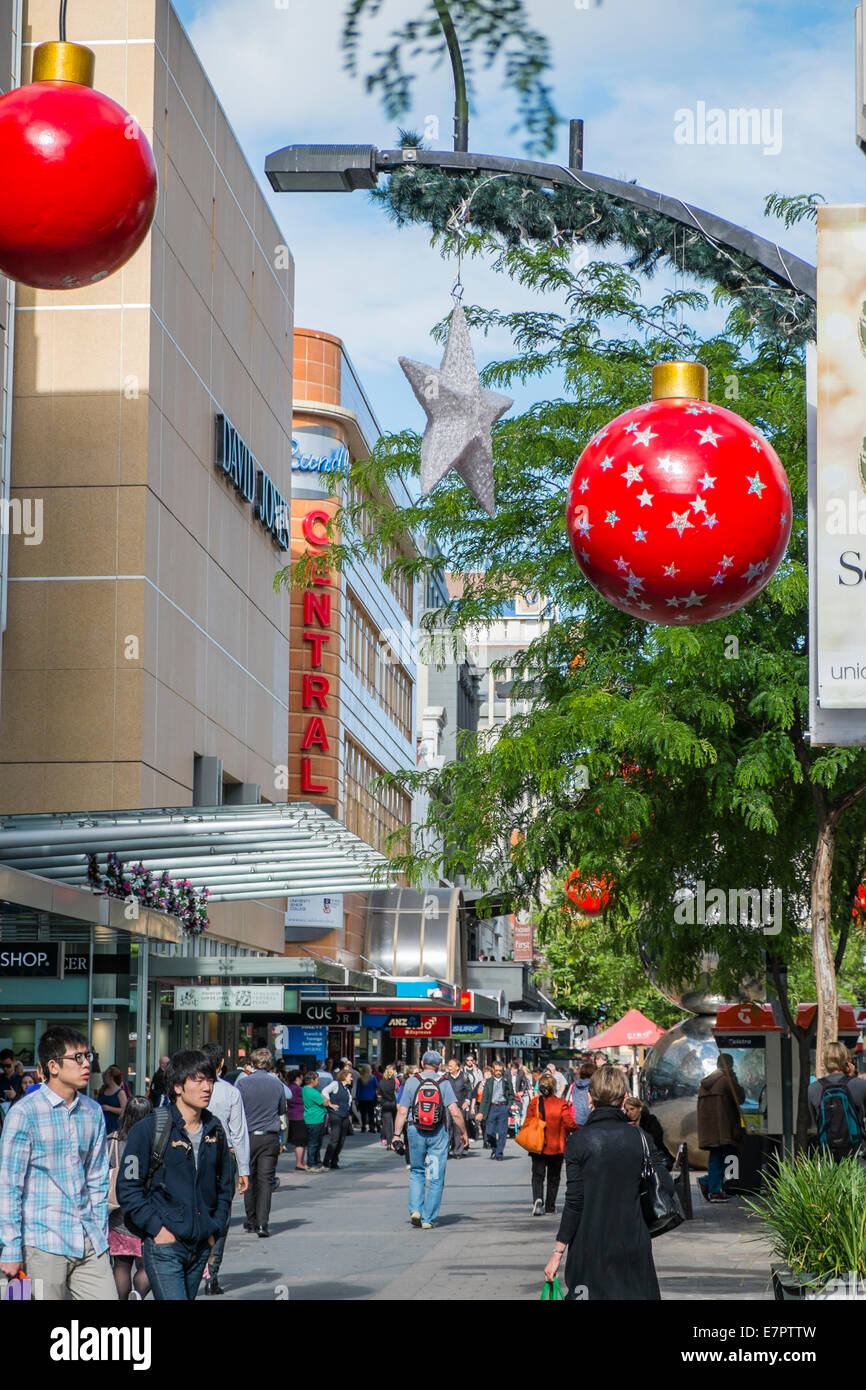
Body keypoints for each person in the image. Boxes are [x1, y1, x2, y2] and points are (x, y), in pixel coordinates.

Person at [0, 1026, 116, 1300]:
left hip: (88, 1240)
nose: (86, 1063)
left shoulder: (92, 1111)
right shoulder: (25, 1113)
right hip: (41, 1242)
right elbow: (8, 1185)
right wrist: (11, 1248)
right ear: (53, 1066)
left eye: (88, 1056)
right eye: (77, 1058)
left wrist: (99, 1232)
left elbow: (98, 1177)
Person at [544, 1064, 674, 1300]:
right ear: (624, 1098)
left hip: (589, 1243)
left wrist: (557, 1252)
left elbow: (574, 1202)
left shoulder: (578, 1141)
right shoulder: (641, 1138)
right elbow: (665, 1184)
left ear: (590, 1097)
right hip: (632, 1241)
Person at [117, 1049, 233, 1301]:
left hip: (201, 1244)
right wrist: (157, 1230)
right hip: (164, 1246)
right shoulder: (149, 1129)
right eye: (198, 1080)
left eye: (210, 1080)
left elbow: (225, 1186)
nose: (207, 1087)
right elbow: (128, 1188)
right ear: (178, 1087)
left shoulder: (215, 1130)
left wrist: (215, 1230)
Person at [391, 1050, 468, 1228]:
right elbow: (455, 1112)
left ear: (422, 1062)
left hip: (414, 1131)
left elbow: (402, 1111)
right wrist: (463, 1132)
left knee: (416, 1171)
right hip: (437, 1133)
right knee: (435, 1176)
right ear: (439, 1065)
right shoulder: (444, 1083)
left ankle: (415, 1209)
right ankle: (428, 1218)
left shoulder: (412, 1081)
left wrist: (396, 1135)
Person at [200, 1042, 250, 1295]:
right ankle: (212, 1274)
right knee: (221, 1215)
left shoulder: (186, 1089)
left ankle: (193, 1269)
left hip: (189, 1157)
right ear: (221, 1064)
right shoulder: (230, 1092)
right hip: (224, 1158)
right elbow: (239, 1134)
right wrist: (243, 1170)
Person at [107, 1097, 152, 1301]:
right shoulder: (151, 1142)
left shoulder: (112, 1140)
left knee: (121, 1264)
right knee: (148, 1264)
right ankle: (139, 1292)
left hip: (117, 1212)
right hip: (144, 1210)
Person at [236, 1048, 285, 1235]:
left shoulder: (243, 1083)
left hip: (248, 1136)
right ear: (269, 1063)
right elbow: (282, 1108)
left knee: (248, 1176)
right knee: (266, 1180)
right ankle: (263, 1223)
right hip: (270, 1135)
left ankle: (251, 1219)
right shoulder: (277, 1084)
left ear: (252, 1063)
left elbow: (238, 1110)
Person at [524, 1073, 577, 1215]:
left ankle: (537, 1198)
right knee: (554, 1178)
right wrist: (579, 1130)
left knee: (537, 1175)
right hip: (557, 1146)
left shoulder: (534, 1103)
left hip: (538, 1145)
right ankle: (550, 1206)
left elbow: (528, 1122)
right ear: (554, 1087)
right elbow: (569, 1123)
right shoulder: (561, 1104)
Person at [696, 1052, 746, 1202]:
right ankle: (711, 1186)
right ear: (729, 1065)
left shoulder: (707, 1082)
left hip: (710, 1128)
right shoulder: (726, 1081)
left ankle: (711, 1185)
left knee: (716, 1156)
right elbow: (740, 1097)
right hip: (724, 1126)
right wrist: (734, 1079)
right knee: (733, 1154)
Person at [808, 1041, 866, 1160]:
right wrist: (853, 1075)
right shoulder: (860, 1085)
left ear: (825, 1061)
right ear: (846, 1060)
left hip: (827, 1156)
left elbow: (815, 1121)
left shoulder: (813, 1089)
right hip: (856, 1154)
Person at [623, 1095, 675, 1169]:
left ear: (640, 1108)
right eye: (627, 1110)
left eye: (632, 1109)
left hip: (654, 1154)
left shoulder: (651, 1120)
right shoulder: (625, 1123)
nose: (629, 1113)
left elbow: (657, 1139)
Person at [480, 1060, 515, 1160]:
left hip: (503, 1107)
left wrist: (508, 1106)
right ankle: (494, 1147)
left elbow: (511, 1094)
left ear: (503, 1070)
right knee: (489, 1132)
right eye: (496, 1070)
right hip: (492, 1107)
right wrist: (481, 1112)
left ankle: (499, 1153)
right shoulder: (489, 1081)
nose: (498, 1072)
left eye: (500, 1070)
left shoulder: (506, 1081)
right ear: (493, 1070)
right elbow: (485, 1097)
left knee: (502, 1132)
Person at [322, 1066, 354, 1169]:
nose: (351, 1078)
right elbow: (324, 1091)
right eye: (350, 1076)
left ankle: (334, 1161)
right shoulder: (336, 1084)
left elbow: (349, 1101)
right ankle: (326, 1161)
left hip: (344, 1115)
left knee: (342, 1139)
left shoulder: (347, 1088)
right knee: (335, 1139)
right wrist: (329, 1104)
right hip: (335, 1115)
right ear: (344, 1077)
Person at [444, 1057, 472, 1156]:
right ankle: (446, 1151)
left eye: (451, 1066)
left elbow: (469, 1090)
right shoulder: (446, 1077)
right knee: (447, 1127)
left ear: (457, 1067)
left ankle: (458, 1151)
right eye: (448, 1065)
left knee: (459, 1128)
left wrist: (467, 1101)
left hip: (460, 1106)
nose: (449, 1067)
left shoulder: (464, 1077)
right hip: (448, 1106)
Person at [303, 1072, 327, 1169]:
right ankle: (312, 1163)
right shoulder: (313, 1092)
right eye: (317, 1079)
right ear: (312, 1080)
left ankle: (316, 1161)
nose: (318, 1081)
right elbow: (325, 1102)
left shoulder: (305, 1089)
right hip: (315, 1119)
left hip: (312, 1118)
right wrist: (324, 1096)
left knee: (316, 1142)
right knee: (314, 1143)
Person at [96, 1065, 129, 1135]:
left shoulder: (120, 1092)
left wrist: (109, 1108)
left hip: (114, 1125)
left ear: (111, 1077)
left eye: (106, 1075)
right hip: (101, 1123)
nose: (104, 1077)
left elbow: (124, 1110)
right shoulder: (102, 1090)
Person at [378, 1065, 398, 1148]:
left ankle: (389, 1143)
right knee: (394, 1122)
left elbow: (379, 1094)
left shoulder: (381, 1082)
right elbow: (396, 1092)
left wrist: (380, 1101)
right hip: (393, 1103)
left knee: (387, 1123)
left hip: (385, 1104)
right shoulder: (394, 1081)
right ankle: (394, 1139)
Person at [568, 1062, 594, 1126]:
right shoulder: (594, 1085)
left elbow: (569, 1101)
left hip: (575, 1119)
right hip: (590, 1119)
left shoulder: (574, 1085)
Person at [355, 1064, 379, 1133]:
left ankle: (363, 1127)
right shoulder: (373, 1078)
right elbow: (377, 1086)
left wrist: (356, 1099)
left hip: (362, 1098)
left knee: (363, 1114)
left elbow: (358, 1090)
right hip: (371, 1098)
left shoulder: (360, 1079)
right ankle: (372, 1127)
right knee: (371, 1114)